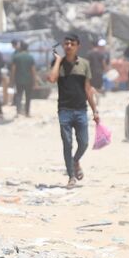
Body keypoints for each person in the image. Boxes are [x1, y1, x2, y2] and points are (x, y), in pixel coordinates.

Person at [48, 33, 100, 189]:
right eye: (66, 44)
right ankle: (71, 176)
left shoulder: (84, 64)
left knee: (83, 143)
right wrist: (58, 60)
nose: (68, 46)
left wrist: (95, 111)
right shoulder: (58, 64)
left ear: (78, 46)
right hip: (64, 109)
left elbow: (88, 89)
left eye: (72, 44)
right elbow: (51, 79)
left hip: (80, 110)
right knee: (67, 143)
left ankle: (75, 160)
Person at [10, 41, 37, 117]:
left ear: (21, 47)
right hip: (29, 80)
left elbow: (13, 70)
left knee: (19, 95)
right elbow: (33, 71)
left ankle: (18, 112)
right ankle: (27, 112)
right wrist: (35, 82)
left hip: (18, 80)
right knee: (28, 96)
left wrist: (11, 80)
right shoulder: (30, 57)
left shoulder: (16, 57)